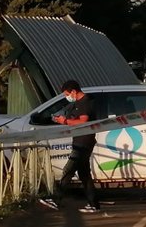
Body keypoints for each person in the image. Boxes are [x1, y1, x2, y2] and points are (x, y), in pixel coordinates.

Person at [39, 80, 100, 213]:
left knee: (68, 170)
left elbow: (83, 121)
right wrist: (62, 120)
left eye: (67, 94)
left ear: (74, 91)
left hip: (83, 142)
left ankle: (56, 199)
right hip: (81, 141)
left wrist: (65, 121)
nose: (67, 97)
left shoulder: (85, 102)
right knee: (84, 174)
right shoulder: (78, 103)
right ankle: (94, 204)